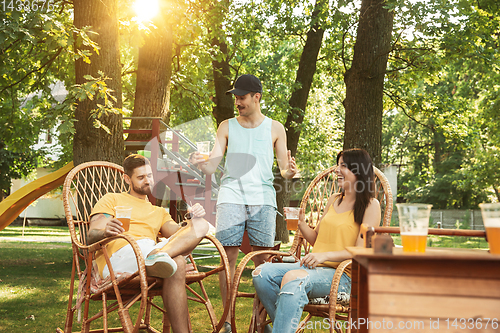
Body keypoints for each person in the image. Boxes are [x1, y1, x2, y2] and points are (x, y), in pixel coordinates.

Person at [190, 74, 298, 332]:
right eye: (236, 97)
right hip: (231, 197)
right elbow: (212, 166)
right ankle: (226, 321)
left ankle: (259, 322)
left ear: (256, 97)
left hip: (262, 198)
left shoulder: (275, 128)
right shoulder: (226, 126)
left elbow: (284, 169)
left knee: (264, 262)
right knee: (227, 258)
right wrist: (201, 163)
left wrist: (290, 172)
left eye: (242, 97)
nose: (237, 101)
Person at [252, 148, 381, 332]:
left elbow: (360, 252)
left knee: (293, 279)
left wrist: (324, 256)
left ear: (358, 171)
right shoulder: (334, 200)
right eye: (338, 165)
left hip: (345, 276)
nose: (337, 170)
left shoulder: (371, 206)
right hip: (313, 269)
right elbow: (316, 240)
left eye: (343, 166)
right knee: (261, 274)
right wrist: (302, 224)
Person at [88, 154, 210, 333]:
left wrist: (192, 218)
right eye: (141, 177)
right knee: (177, 261)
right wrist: (105, 231)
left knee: (200, 228)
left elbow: (178, 234)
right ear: (127, 179)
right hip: (119, 256)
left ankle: (156, 257)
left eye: (150, 176)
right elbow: (90, 235)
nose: (148, 181)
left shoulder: (159, 211)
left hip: (151, 252)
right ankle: (157, 256)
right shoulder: (112, 199)